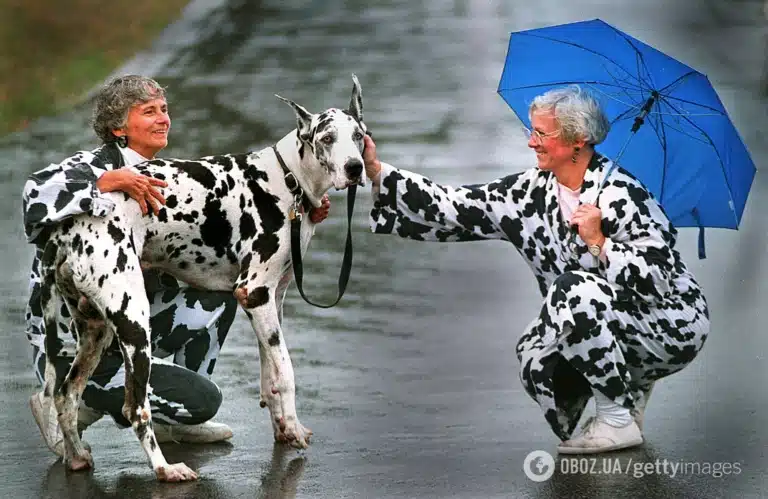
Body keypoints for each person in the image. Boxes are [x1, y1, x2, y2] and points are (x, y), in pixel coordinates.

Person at [361, 85, 709, 454]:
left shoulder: (624, 195)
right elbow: (453, 207)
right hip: (612, 317)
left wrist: (601, 243)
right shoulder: (531, 191)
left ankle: (617, 420)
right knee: (534, 353)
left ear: (579, 141)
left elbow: (659, 279)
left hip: (670, 324)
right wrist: (377, 171)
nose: (532, 143)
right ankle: (628, 394)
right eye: (532, 132)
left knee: (573, 292)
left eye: (541, 134)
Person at [21, 75, 332, 457]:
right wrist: (105, 180)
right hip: (74, 337)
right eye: (148, 112)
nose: (163, 119)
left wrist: (297, 210)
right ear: (119, 127)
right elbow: (34, 193)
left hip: (121, 322)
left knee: (219, 295)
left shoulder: (160, 172)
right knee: (202, 401)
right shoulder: (91, 165)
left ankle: (175, 423)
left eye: (164, 110)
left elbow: (223, 231)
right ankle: (64, 400)